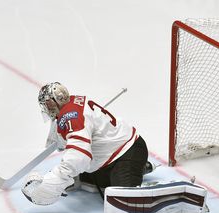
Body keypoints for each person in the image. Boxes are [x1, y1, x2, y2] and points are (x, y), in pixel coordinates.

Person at [22, 82, 153, 206]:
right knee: (90, 180)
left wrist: (55, 180)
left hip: (127, 152)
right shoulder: (71, 104)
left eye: (48, 103)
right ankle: (138, 169)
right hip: (107, 157)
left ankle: (137, 168)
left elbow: (79, 156)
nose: (47, 107)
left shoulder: (71, 116)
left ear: (57, 100)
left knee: (122, 201)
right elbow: (70, 136)